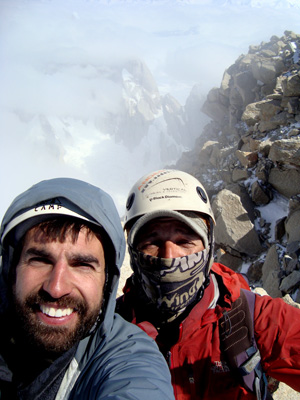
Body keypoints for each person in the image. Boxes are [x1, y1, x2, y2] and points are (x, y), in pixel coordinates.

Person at [116, 169, 300, 400]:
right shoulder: (109, 330)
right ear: (133, 251)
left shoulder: (254, 319)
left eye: (185, 241)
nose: (169, 256)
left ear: (208, 247)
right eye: (152, 242)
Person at [0, 177, 175, 400]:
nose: (56, 288)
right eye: (40, 260)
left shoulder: (126, 356)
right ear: (11, 269)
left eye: (82, 265)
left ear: (107, 281)